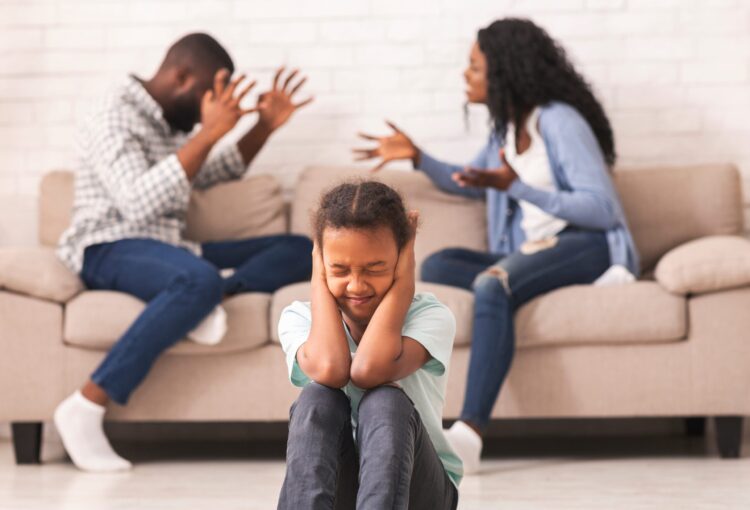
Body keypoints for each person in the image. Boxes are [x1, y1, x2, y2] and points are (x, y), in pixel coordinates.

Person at [354, 18, 640, 475]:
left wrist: (519, 187)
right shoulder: (505, 130)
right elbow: (475, 181)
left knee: (491, 285)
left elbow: (602, 208)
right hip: (535, 249)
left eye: (473, 67)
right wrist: (418, 156)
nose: (464, 76)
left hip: (585, 244)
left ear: (504, 70)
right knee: (441, 262)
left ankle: (469, 431)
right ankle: (519, 282)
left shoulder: (558, 122)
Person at [54, 33, 314, 472]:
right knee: (196, 278)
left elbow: (210, 170)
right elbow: (136, 201)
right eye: (206, 98)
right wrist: (211, 131)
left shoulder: (164, 126)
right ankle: (86, 403)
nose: (203, 114)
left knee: (302, 249)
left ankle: (209, 295)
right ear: (181, 76)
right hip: (108, 246)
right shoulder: (112, 113)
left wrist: (263, 127)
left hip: (172, 249)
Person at [277, 181, 460, 509]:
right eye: (338, 269)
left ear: (402, 258)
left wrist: (404, 282)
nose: (356, 285)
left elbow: (369, 371)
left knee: (386, 400)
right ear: (320, 261)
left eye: (375, 269)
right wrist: (319, 278)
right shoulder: (298, 318)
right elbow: (332, 369)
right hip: (339, 491)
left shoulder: (431, 316)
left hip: (420, 493)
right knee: (318, 397)